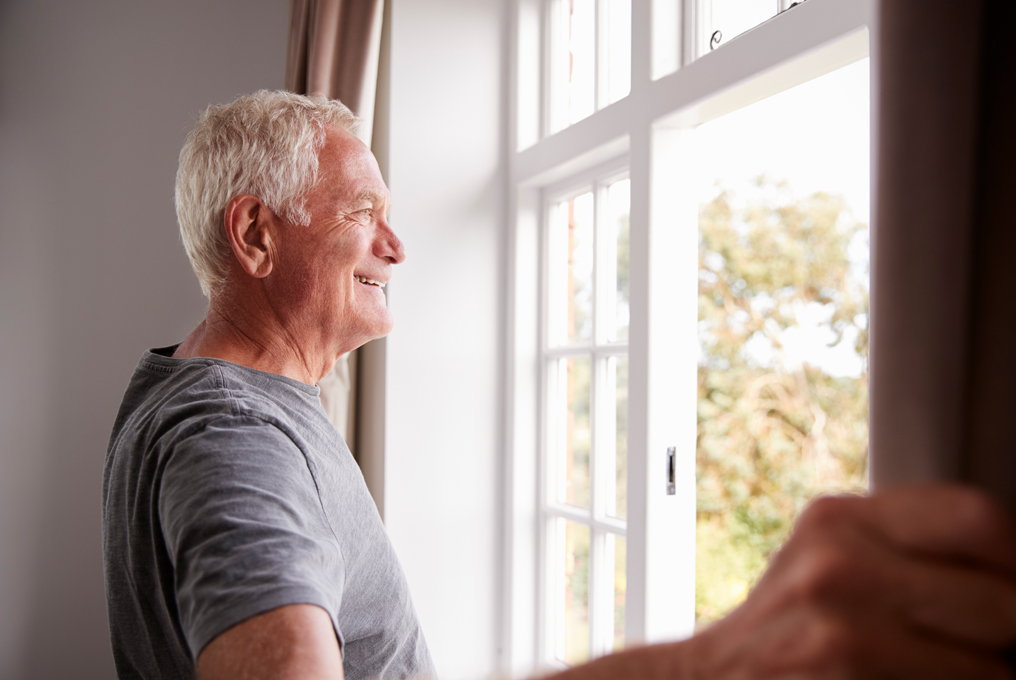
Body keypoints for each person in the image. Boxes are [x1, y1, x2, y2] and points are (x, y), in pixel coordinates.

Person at [102, 90, 1016, 680]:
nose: (396, 245)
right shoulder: (234, 436)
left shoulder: (192, 391)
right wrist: (717, 664)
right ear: (256, 237)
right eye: (361, 214)